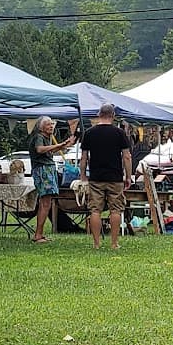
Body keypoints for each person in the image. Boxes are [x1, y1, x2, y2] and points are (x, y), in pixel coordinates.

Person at [80, 104, 132, 249]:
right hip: (115, 177)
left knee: (95, 210)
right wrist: (128, 176)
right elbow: (126, 156)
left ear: (99, 114)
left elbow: (84, 157)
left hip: (96, 177)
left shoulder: (89, 133)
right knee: (115, 209)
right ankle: (114, 243)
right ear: (113, 115)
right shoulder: (119, 133)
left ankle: (96, 243)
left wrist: (83, 175)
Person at [28, 116, 75, 243]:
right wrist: (60, 144)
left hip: (47, 170)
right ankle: (38, 235)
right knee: (45, 203)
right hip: (43, 171)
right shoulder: (39, 137)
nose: (51, 126)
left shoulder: (46, 138)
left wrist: (63, 145)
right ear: (41, 127)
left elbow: (50, 151)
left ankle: (40, 234)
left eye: (52, 124)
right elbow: (39, 149)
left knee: (46, 203)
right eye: (48, 124)